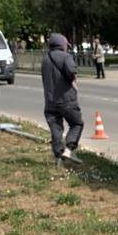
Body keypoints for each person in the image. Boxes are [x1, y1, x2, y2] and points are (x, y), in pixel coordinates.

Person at [41, 33, 83, 165]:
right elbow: (71, 72)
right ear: (62, 45)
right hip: (66, 99)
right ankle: (69, 149)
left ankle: (58, 156)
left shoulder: (45, 59)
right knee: (77, 123)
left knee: (56, 128)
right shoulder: (66, 57)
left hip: (50, 101)